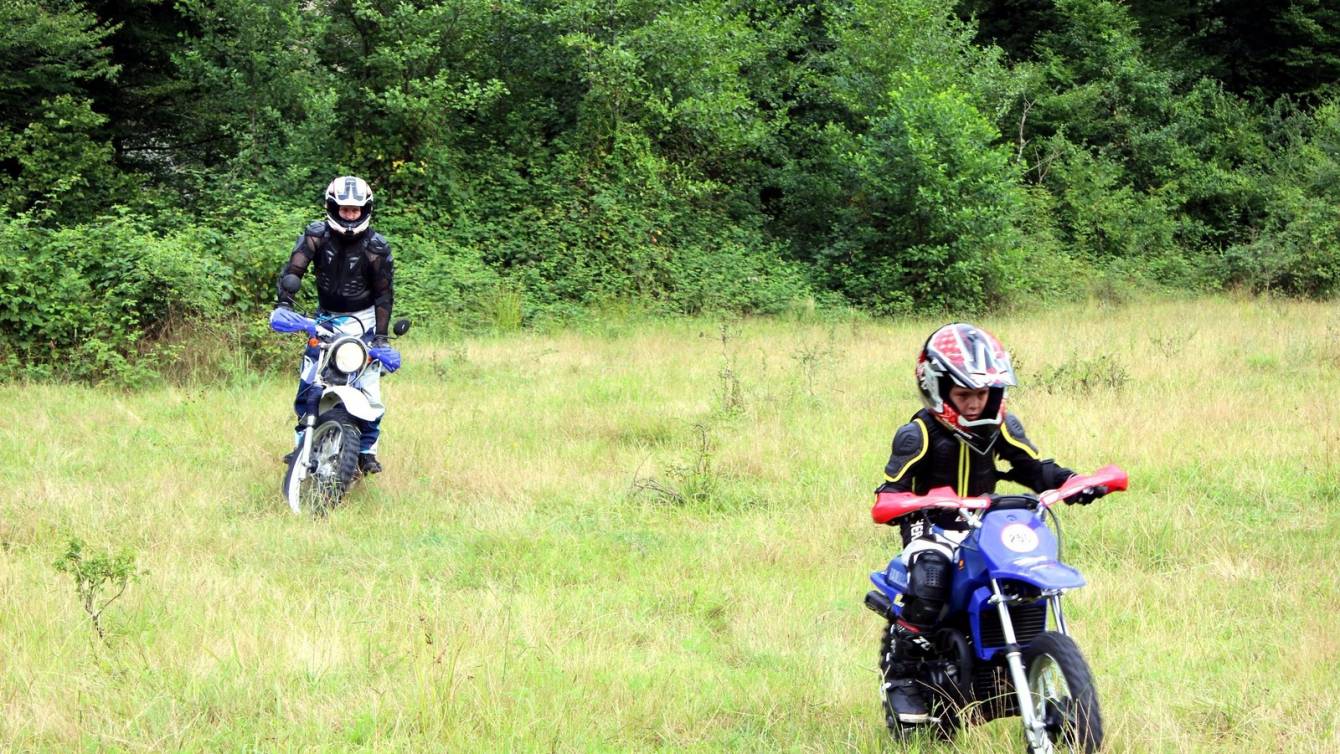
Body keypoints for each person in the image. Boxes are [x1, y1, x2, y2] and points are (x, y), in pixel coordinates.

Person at [871, 323, 1106, 724]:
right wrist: (917, 501)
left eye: (982, 393)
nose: (974, 403)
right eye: (963, 394)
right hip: (932, 526)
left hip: (984, 525)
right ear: (936, 388)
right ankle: (902, 676)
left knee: (1022, 581)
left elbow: (1034, 468)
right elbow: (889, 493)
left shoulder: (1001, 427)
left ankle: (1023, 659)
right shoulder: (918, 434)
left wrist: (1075, 482)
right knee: (931, 574)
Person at [275, 175, 396, 474]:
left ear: (365, 210)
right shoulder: (316, 235)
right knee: (310, 380)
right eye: (345, 209)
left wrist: (381, 338)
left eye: (356, 210)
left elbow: (384, 295)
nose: (350, 215)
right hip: (325, 318)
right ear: (333, 207)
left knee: (369, 386)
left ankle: (366, 450)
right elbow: (294, 270)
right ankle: (302, 444)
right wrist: (284, 305)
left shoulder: (377, 247)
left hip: (364, 321)